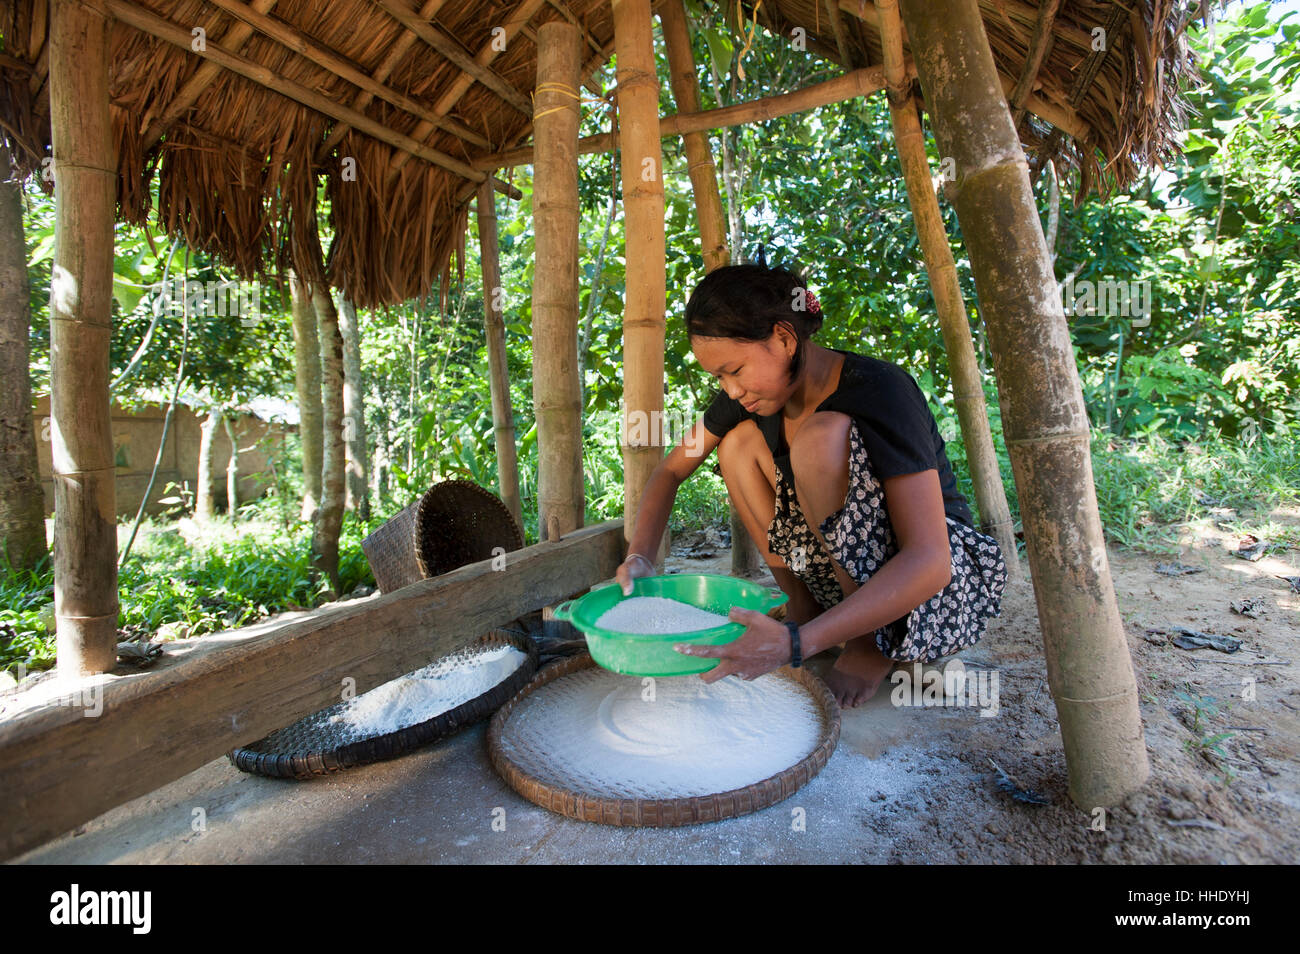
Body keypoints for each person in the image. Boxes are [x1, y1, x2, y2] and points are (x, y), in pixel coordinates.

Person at [614, 261, 1008, 707]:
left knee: (819, 440)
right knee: (736, 445)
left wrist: (797, 647)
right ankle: (806, 610)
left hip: (936, 590)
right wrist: (641, 556)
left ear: (784, 338)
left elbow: (930, 561)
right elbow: (670, 471)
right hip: (845, 577)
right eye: (718, 378)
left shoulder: (880, 390)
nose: (730, 390)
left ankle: (866, 641)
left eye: (735, 370)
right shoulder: (750, 398)